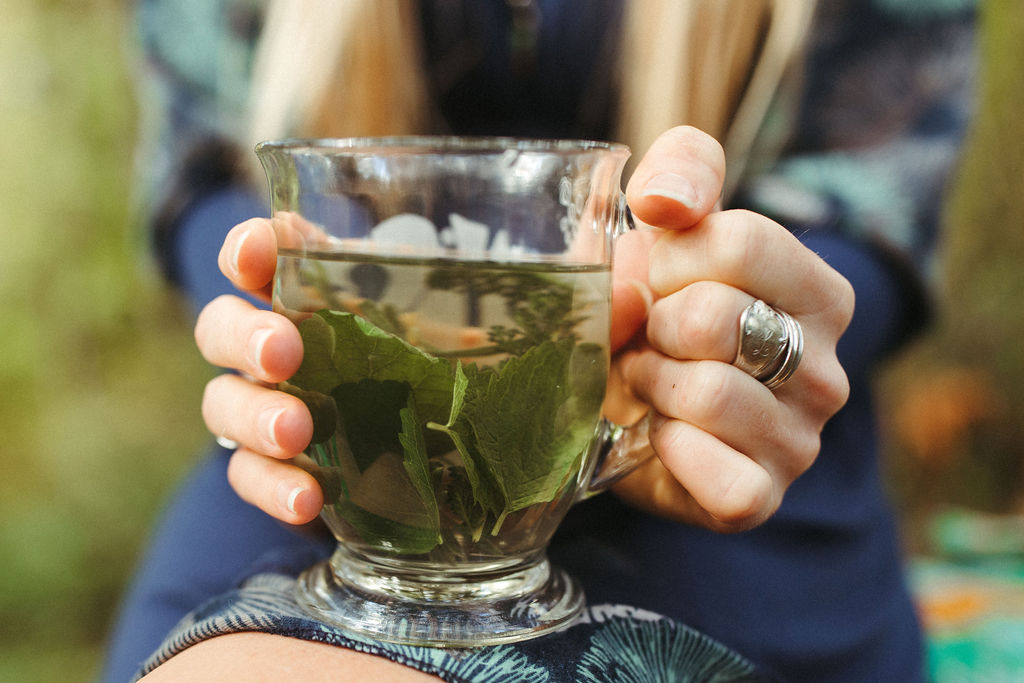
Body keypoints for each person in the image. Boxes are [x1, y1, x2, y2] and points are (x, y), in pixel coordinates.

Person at [102, 0, 976, 680]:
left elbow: (874, 196)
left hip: (728, 483)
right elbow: (204, 161)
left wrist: (690, 326)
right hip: (331, 473)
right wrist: (269, 319)